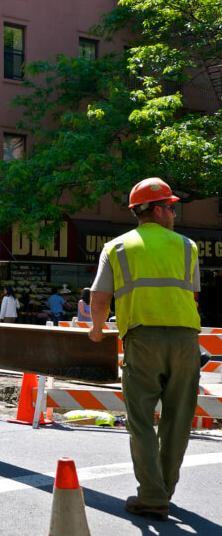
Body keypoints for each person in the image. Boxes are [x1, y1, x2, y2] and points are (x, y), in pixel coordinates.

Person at [88, 177, 201, 521]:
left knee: (140, 421)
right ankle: (163, 490)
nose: (173, 213)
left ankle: (153, 495)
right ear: (152, 209)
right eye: (169, 206)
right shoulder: (188, 246)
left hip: (142, 340)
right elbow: (192, 297)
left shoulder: (117, 247)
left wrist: (96, 330)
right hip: (185, 341)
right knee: (178, 421)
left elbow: (100, 298)